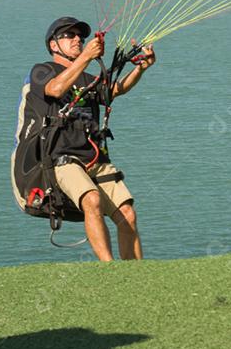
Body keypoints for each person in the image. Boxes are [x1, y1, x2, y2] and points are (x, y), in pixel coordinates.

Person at [22, 16, 155, 261]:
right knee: (91, 199)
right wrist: (86, 58)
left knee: (128, 213)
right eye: (69, 36)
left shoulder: (87, 77)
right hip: (62, 158)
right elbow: (55, 90)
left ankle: (136, 274)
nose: (77, 40)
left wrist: (141, 69)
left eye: (80, 37)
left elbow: (114, 90)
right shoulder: (42, 70)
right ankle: (109, 269)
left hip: (95, 157)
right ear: (53, 45)